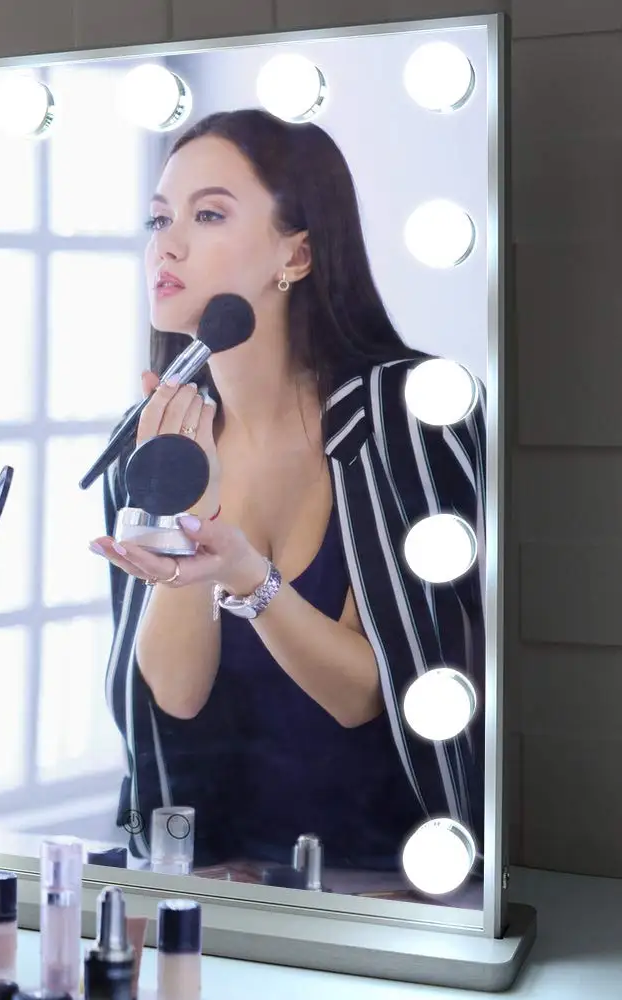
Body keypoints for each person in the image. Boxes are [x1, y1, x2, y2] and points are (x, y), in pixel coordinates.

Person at [90, 109, 486, 875]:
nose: (166, 245)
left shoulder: (405, 414)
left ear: (296, 254)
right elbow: (175, 696)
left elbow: (365, 694)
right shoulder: (150, 440)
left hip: (396, 885)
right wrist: (186, 515)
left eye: (208, 215)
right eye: (159, 218)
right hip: (218, 888)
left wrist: (248, 577)